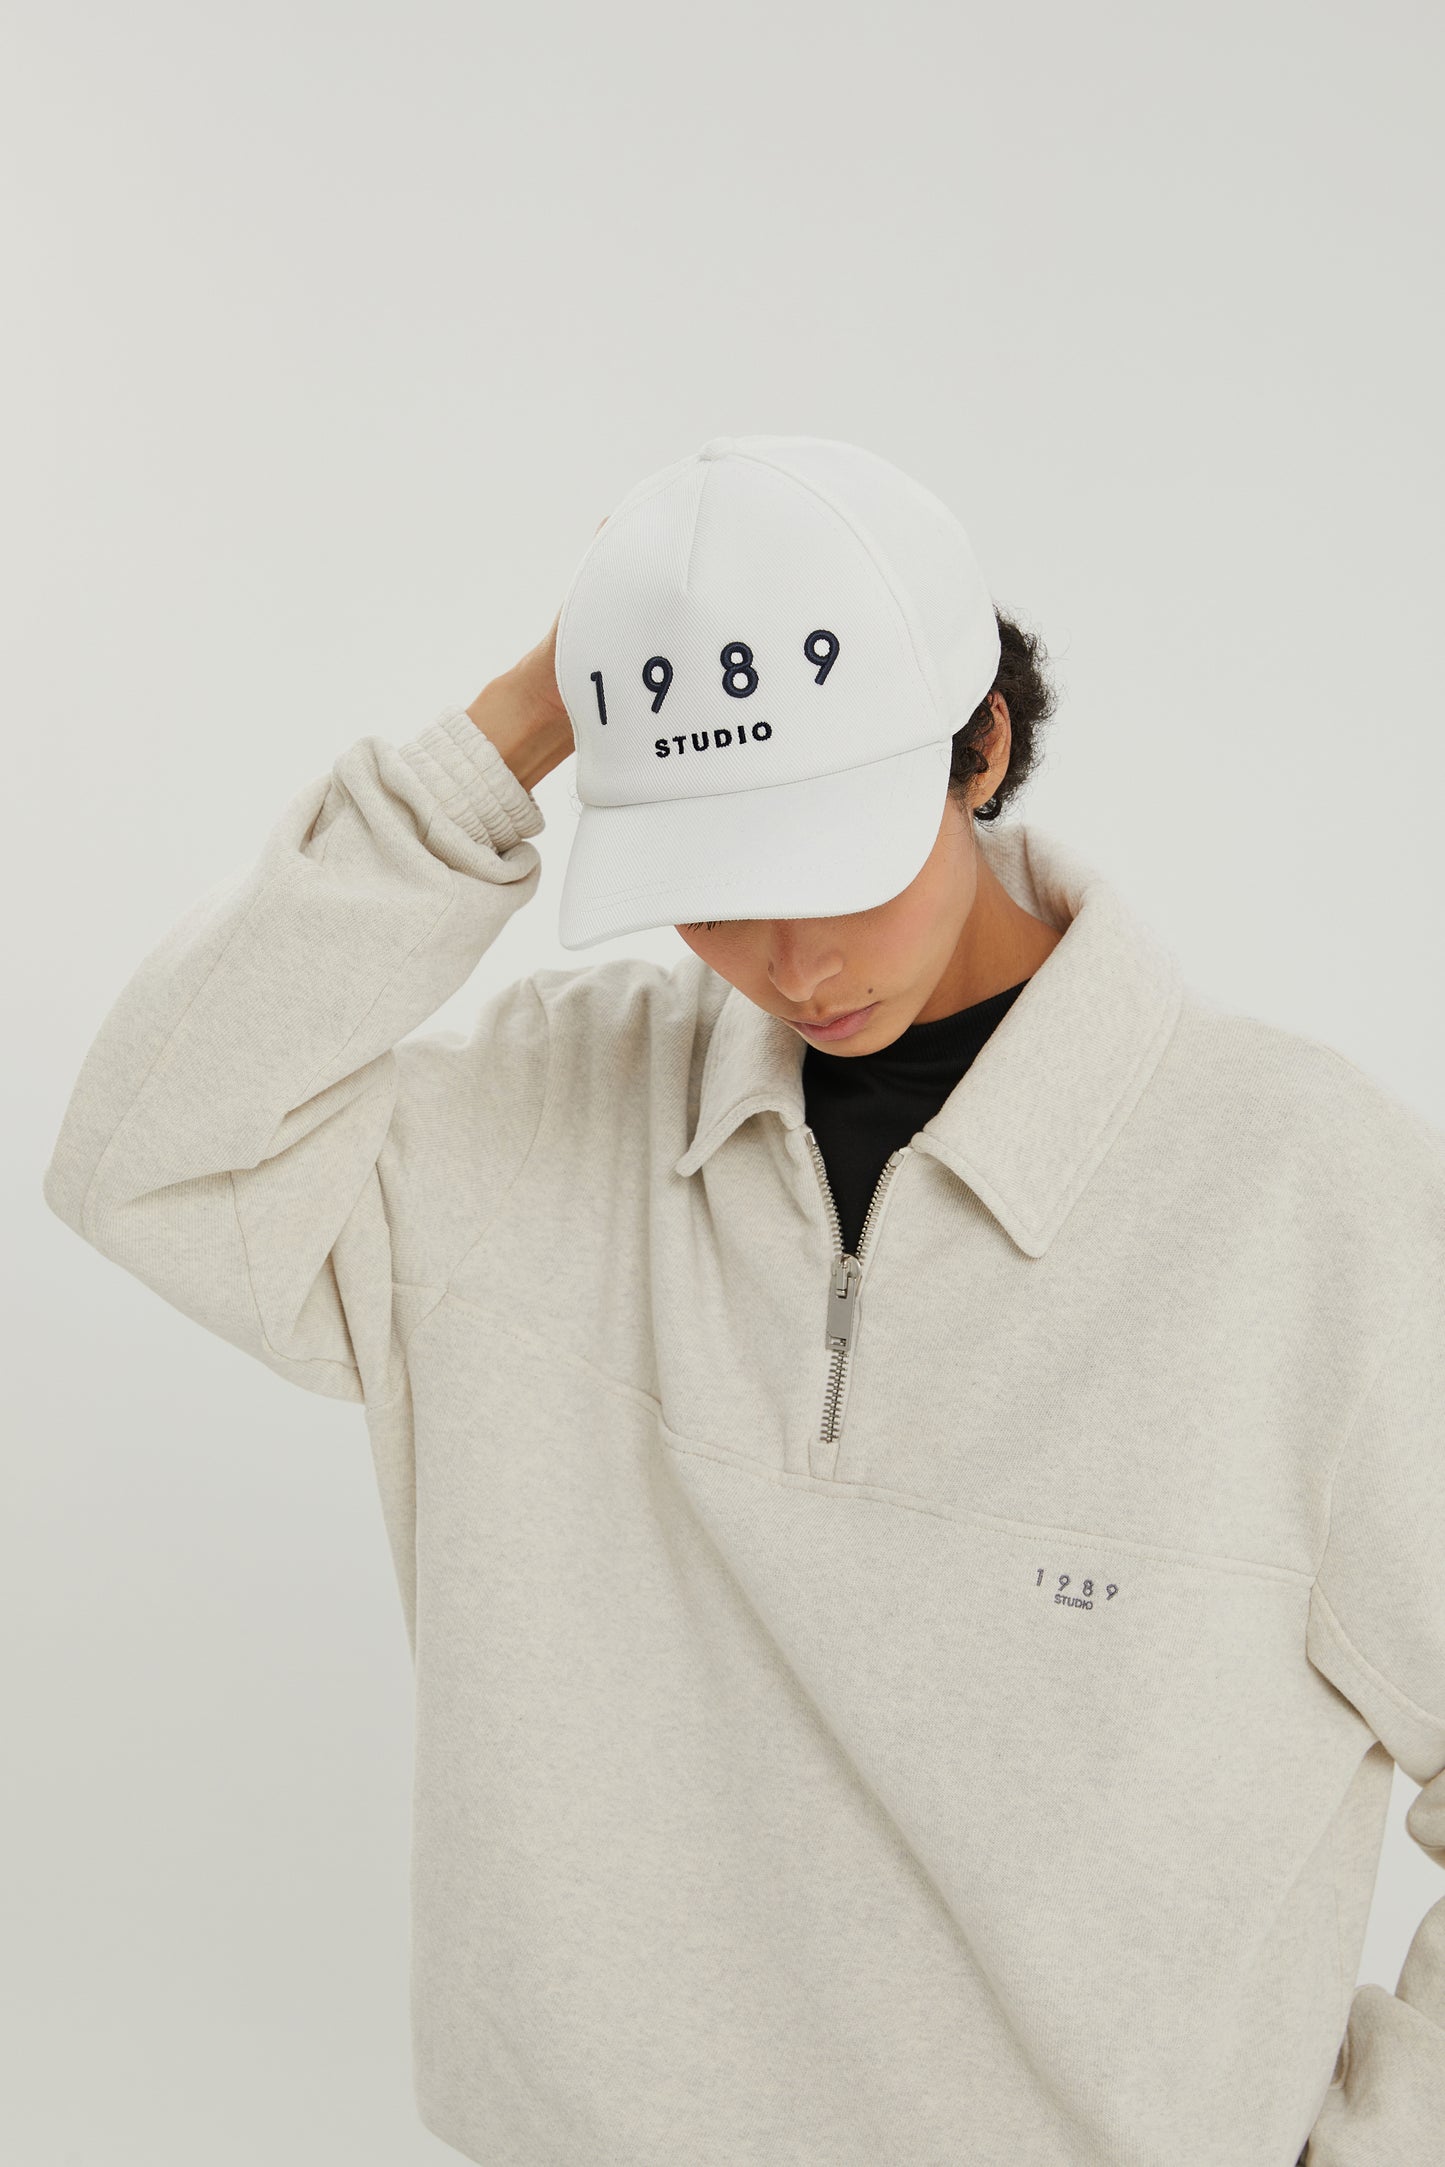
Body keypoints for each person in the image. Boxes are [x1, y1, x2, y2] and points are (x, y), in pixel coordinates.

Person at [43, 435, 1443, 2167]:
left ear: (980, 747)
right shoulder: (536, 1127)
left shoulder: (1317, 1206)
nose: (793, 963)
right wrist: (518, 728)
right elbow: (150, 1160)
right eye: (707, 889)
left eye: (833, 864)